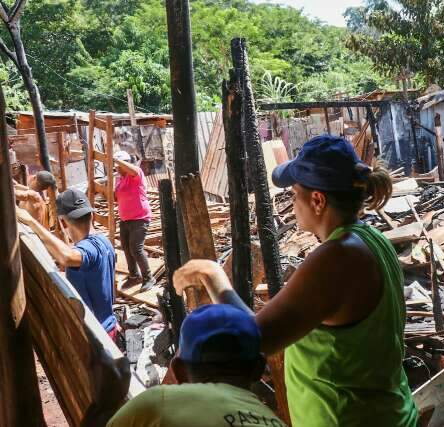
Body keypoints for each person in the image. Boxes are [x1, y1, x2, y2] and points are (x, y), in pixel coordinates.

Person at [173, 135, 419, 427]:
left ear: (317, 200)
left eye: (294, 193)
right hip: (388, 412)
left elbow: (256, 339)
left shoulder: (336, 259)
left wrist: (213, 276)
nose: (291, 202)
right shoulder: (370, 239)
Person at [108, 304, 286, 427]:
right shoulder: (277, 422)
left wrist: (105, 399)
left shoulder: (159, 403)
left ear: (178, 371)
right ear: (259, 368)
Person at [16, 188, 117, 339]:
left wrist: (32, 223)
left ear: (62, 221)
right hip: (110, 327)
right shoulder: (105, 242)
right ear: (91, 214)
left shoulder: (88, 249)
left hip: (96, 338)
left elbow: (66, 257)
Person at [113, 150, 155, 290]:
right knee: (126, 248)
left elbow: (133, 170)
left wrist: (115, 159)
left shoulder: (136, 173)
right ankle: (134, 276)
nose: (117, 169)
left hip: (140, 217)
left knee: (136, 248)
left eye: (119, 166)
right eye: (116, 167)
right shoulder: (119, 178)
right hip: (125, 218)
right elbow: (116, 196)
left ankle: (149, 277)